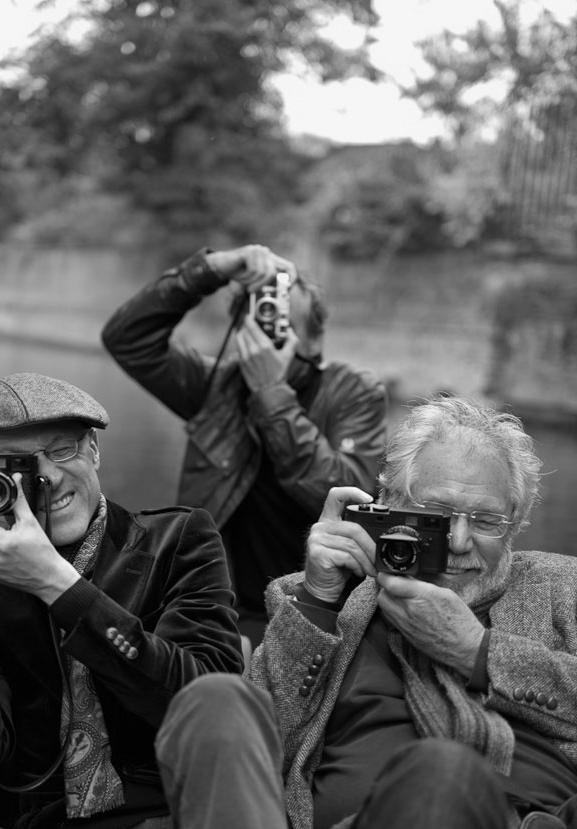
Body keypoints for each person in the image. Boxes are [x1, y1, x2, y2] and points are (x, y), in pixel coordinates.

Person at [0, 372, 305, 829]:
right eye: (18, 464)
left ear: (96, 451)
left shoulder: (177, 539)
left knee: (218, 702)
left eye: (62, 451)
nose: (49, 477)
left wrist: (59, 588)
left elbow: (203, 698)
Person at [247, 394, 577, 829]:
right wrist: (320, 599)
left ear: (517, 525)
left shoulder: (562, 589)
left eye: (486, 520)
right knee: (441, 775)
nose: (456, 541)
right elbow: (251, 749)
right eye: (436, 513)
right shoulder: (326, 599)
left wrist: (478, 651)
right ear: (390, 506)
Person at [101, 244, 388, 647]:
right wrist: (210, 268)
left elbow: (354, 497)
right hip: (222, 604)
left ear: (314, 340)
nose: (266, 329)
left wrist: (271, 392)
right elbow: (126, 339)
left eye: (280, 320)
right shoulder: (217, 387)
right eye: (258, 315)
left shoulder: (352, 391)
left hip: (316, 603)